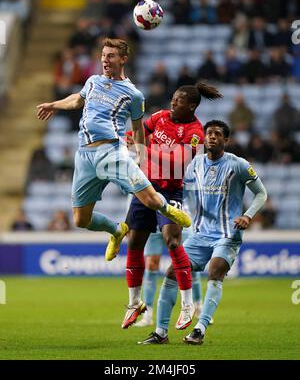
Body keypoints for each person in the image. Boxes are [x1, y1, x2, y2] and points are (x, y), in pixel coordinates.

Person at [37, 37, 191, 261]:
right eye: (103, 56)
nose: (105, 60)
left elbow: (137, 128)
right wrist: (54, 105)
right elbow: (77, 101)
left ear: (123, 59)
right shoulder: (92, 81)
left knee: (150, 200)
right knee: (81, 220)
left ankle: (169, 211)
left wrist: (140, 155)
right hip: (84, 156)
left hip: (112, 152)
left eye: (110, 56)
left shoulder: (133, 94)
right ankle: (117, 231)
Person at [138, 120, 267, 345]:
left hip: (227, 234)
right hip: (200, 234)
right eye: (209, 133)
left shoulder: (238, 164)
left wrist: (247, 216)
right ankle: (160, 332)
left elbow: (261, 194)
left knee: (215, 271)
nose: (212, 137)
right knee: (172, 272)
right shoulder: (194, 164)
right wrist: (182, 214)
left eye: (217, 134)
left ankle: (200, 328)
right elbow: (185, 192)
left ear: (225, 140)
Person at [122, 82, 223, 330]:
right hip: (144, 186)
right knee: (134, 242)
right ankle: (135, 303)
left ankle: (188, 304)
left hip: (170, 189)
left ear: (191, 105)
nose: (173, 102)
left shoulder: (196, 131)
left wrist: (145, 151)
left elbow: (178, 162)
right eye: (173, 98)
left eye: (179, 100)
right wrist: (131, 141)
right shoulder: (159, 117)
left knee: (173, 241)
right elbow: (138, 132)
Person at [133, 230, 208, 327]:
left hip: (179, 223)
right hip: (154, 227)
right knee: (151, 264)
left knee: (189, 262)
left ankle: (198, 308)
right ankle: (148, 315)